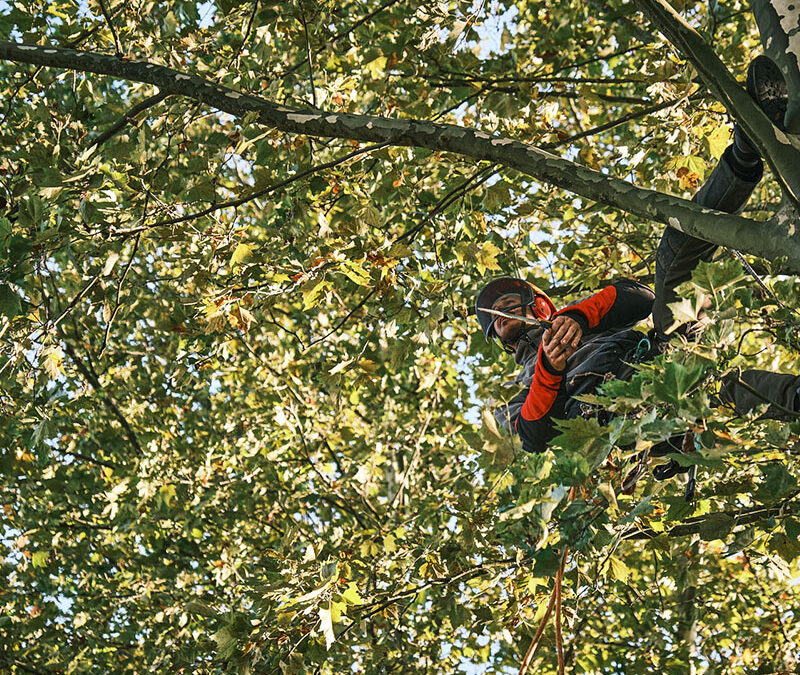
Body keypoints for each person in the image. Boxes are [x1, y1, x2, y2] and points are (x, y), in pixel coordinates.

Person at [475, 56, 800, 466]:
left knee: (677, 247)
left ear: (538, 304)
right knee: (725, 388)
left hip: (659, 349)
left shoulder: (582, 322)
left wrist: (577, 318)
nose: (503, 320)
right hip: (628, 414)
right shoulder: (519, 391)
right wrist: (548, 370)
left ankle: (745, 153)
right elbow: (533, 437)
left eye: (506, 308)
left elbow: (638, 296)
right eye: (496, 321)